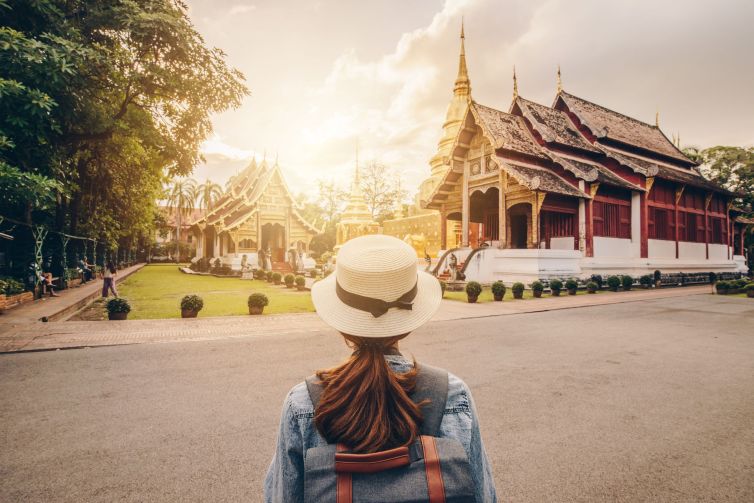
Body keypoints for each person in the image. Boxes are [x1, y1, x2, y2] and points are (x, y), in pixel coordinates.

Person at [264, 235, 496, 502]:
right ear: (409, 323)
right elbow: (484, 496)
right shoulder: (455, 395)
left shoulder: (302, 403)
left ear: (342, 324)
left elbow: (282, 497)